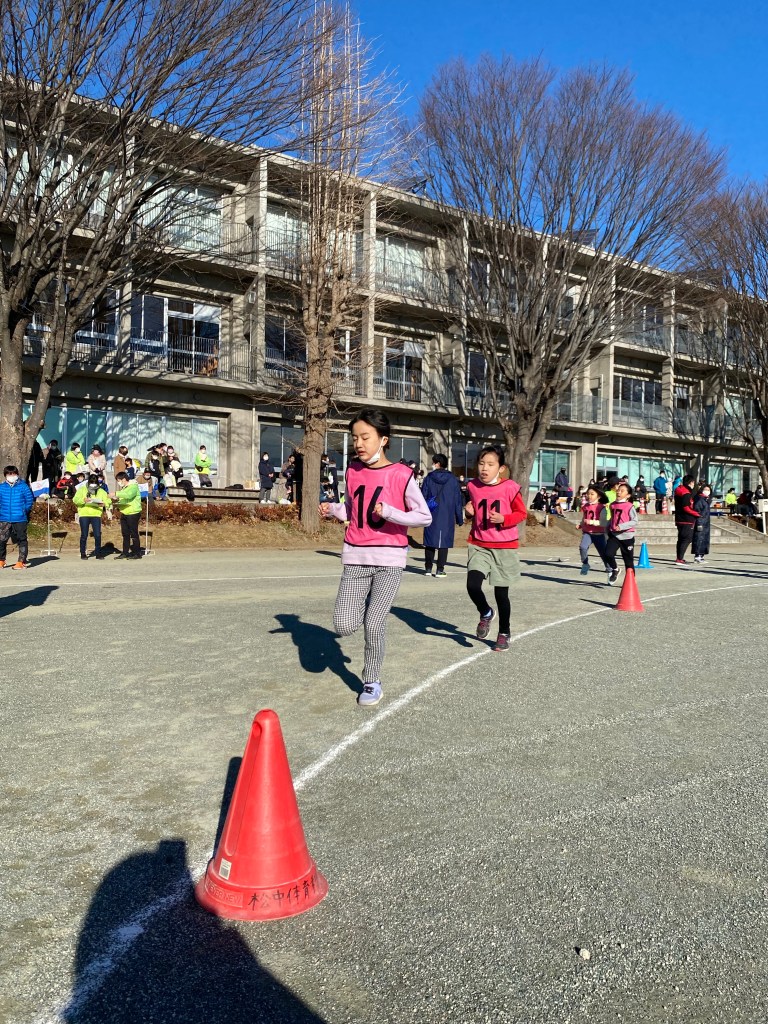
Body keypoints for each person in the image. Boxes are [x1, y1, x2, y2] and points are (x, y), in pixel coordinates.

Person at [319, 409, 431, 707]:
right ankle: (367, 603)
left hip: (389, 561)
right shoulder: (353, 471)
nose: (358, 443)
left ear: (383, 439)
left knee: (374, 623)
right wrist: (333, 510)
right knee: (344, 625)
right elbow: (353, 510)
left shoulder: (402, 474)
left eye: (365, 437)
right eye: (355, 437)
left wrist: (391, 512)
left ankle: (371, 681)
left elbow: (424, 516)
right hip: (355, 557)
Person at [464, 444, 527, 653]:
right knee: (473, 586)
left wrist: (504, 519)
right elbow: (474, 511)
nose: (484, 468)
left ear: (501, 468)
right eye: (481, 463)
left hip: (504, 547)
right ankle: (486, 612)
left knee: (501, 594)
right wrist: (468, 513)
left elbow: (521, 513)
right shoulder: (472, 486)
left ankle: (504, 632)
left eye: (490, 464)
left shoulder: (510, 487)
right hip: (479, 544)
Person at [420, 454, 464, 577]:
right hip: (447, 514)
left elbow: (422, 497)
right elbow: (457, 500)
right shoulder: (453, 480)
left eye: (434, 462)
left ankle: (428, 568)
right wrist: (459, 518)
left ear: (438, 464)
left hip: (431, 512)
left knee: (430, 541)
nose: (432, 464)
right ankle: (440, 569)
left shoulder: (429, 478)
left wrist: (420, 514)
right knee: (444, 541)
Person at [0, 465, 34, 569]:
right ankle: (1, 560)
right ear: (5, 475)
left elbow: (29, 500)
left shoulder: (23, 486)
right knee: (1, 540)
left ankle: (21, 562)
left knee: (21, 539)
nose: (11, 476)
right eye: (9, 474)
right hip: (4, 518)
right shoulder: (1, 487)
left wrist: (23, 510)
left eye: (13, 474)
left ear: (17, 474)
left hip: (20, 518)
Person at [604, 481, 637, 585]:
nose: (619, 492)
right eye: (618, 490)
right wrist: (607, 527)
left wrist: (622, 526)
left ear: (628, 495)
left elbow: (634, 521)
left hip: (627, 537)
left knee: (628, 561)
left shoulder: (629, 506)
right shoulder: (612, 505)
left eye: (622, 491)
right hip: (614, 535)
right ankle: (615, 569)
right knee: (608, 554)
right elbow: (612, 518)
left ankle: (631, 582)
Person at [73, 473, 112, 559]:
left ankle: (98, 553)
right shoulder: (82, 489)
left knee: (97, 535)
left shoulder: (101, 491)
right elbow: (75, 500)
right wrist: (83, 500)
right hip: (84, 514)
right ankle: (83, 553)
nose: (93, 486)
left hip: (96, 515)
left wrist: (104, 504)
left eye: (95, 484)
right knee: (84, 535)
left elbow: (108, 500)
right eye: (92, 484)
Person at [577, 484, 609, 577]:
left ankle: (610, 568)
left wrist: (591, 522)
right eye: (588, 494)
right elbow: (584, 518)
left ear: (598, 496)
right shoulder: (586, 506)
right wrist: (581, 524)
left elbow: (604, 523)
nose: (589, 496)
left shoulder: (602, 507)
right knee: (582, 547)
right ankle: (585, 564)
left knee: (603, 553)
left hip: (599, 534)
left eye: (592, 494)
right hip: (588, 533)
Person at [111, 471, 143, 559]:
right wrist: (117, 502)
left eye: (119, 480)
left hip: (133, 513)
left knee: (133, 533)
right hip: (125, 513)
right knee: (125, 534)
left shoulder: (133, 486)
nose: (118, 482)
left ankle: (137, 553)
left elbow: (129, 495)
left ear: (124, 479)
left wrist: (116, 493)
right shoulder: (124, 488)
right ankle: (125, 552)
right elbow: (124, 499)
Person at [673, 473, 699, 566]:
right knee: (686, 538)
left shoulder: (680, 491)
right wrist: (696, 514)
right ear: (690, 482)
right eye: (693, 483)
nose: (694, 484)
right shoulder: (686, 493)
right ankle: (679, 559)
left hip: (680, 518)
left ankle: (679, 558)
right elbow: (686, 507)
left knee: (681, 539)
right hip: (686, 519)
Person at [692, 483, 712, 564]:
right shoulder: (700, 499)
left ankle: (701, 555)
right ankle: (697, 556)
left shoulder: (706, 500)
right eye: (705, 489)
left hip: (705, 523)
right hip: (701, 522)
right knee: (699, 539)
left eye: (708, 490)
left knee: (704, 539)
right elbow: (697, 511)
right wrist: (699, 523)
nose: (707, 491)